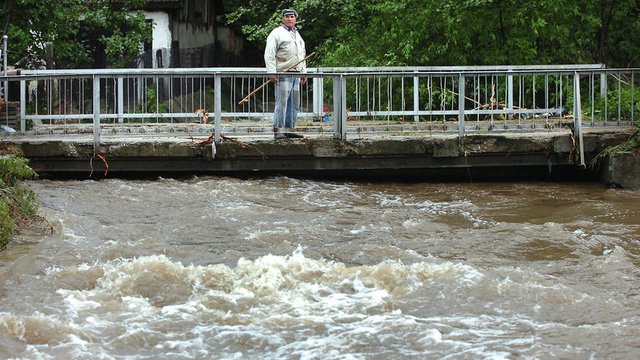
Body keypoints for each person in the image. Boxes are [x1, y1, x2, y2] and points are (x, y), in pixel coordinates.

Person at [264, 8, 307, 139]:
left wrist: (303, 72)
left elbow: (302, 55)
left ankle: (289, 129)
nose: (289, 18)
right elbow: (269, 54)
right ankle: (279, 130)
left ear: (296, 19)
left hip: (296, 74)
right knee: (282, 103)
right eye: (287, 16)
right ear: (283, 18)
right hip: (283, 73)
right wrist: (271, 72)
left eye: (292, 16)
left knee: (294, 104)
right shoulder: (276, 33)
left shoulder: (297, 34)